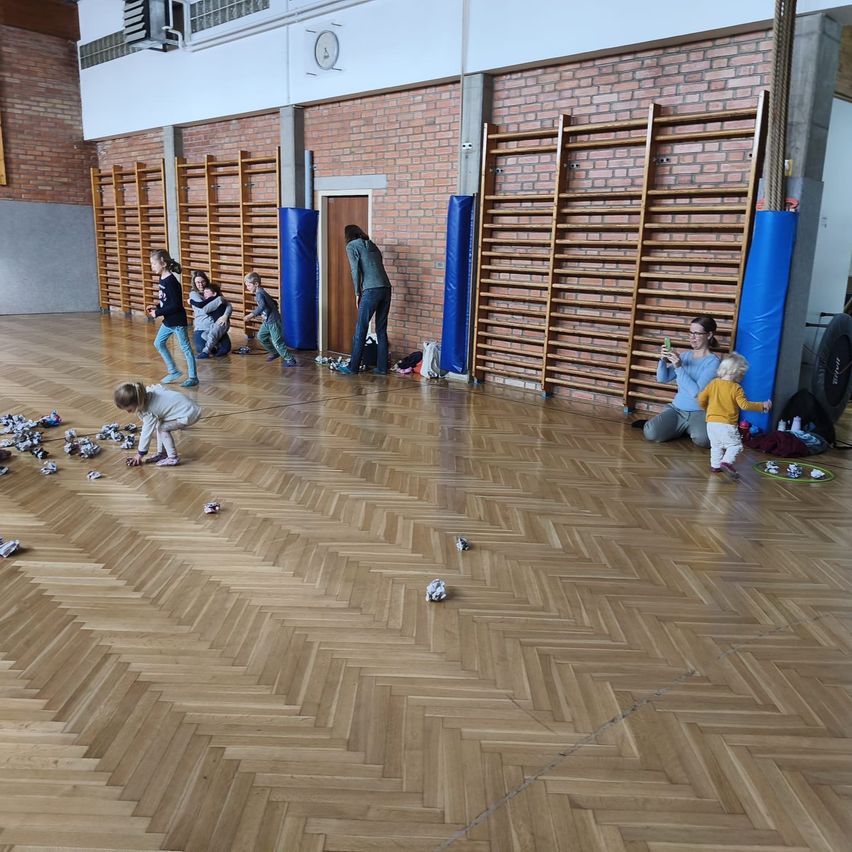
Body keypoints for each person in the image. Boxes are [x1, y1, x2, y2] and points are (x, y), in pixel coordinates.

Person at [636, 315, 721, 448]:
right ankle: (678, 427)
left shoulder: (713, 362)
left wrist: (679, 367)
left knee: (704, 441)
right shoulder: (684, 356)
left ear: (709, 335)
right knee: (651, 433)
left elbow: (696, 393)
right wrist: (663, 360)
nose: (692, 337)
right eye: (690, 333)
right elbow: (662, 378)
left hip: (700, 411)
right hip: (677, 409)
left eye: (697, 333)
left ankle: (684, 429)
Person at [697, 352, 771, 479]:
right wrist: (762, 406)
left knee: (716, 445)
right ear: (734, 372)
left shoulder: (713, 383)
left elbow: (701, 399)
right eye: (742, 374)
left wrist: (707, 410)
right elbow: (745, 406)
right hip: (726, 424)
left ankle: (715, 466)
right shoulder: (736, 388)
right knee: (735, 445)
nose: (742, 377)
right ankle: (726, 462)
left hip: (711, 423)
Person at [334, 225, 392, 376]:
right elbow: (379, 261)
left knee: (361, 329)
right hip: (386, 288)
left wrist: (357, 292)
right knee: (381, 329)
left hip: (371, 290)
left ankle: (353, 367)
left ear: (348, 235)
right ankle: (382, 368)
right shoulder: (372, 244)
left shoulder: (351, 246)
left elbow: (355, 270)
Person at [114, 381, 201, 468]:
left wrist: (140, 454)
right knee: (159, 425)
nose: (129, 412)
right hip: (188, 406)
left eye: (129, 409)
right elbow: (160, 388)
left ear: (138, 402)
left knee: (162, 429)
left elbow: (146, 433)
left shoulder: (149, 411)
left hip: (188, 413)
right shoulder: (147, 393)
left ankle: (172, 457)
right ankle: (162, 453)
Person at [147, 249, 198, 388]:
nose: (152, 266)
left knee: (185, 349)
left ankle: (193, 377)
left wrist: (157, 313)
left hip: (177, 321)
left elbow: (176, 305)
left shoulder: (171, 282)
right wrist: (157, 306)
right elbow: (167, 300)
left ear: (163, 263)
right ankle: (174, 371)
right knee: (158, 343)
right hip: (168, 321)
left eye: (154, 263)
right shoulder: (162, 278)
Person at [244, 272, 297, 365]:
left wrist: (251, 315)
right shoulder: (260, 292)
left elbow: (262, 306)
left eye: (248, 285)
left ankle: (290, 359)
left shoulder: (260, 293)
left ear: (256, 284)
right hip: (267, 321)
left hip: (273, 321)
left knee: (277, 341)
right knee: (261, 336)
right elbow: (273, 302)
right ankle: (275, 352)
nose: (247, 288)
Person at [188, 272, 232, 358]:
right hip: (202, 327)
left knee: (226, 349)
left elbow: (228, 305)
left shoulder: (213, 291)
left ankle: (213, 345)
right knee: (201, 348)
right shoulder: (193, 294)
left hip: (218, 324)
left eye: (203, 281)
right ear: (194, 283)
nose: (201, 285)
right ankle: (210, 347)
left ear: (206, 281)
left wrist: (225, 315)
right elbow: (204, 308)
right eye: (198, 282)